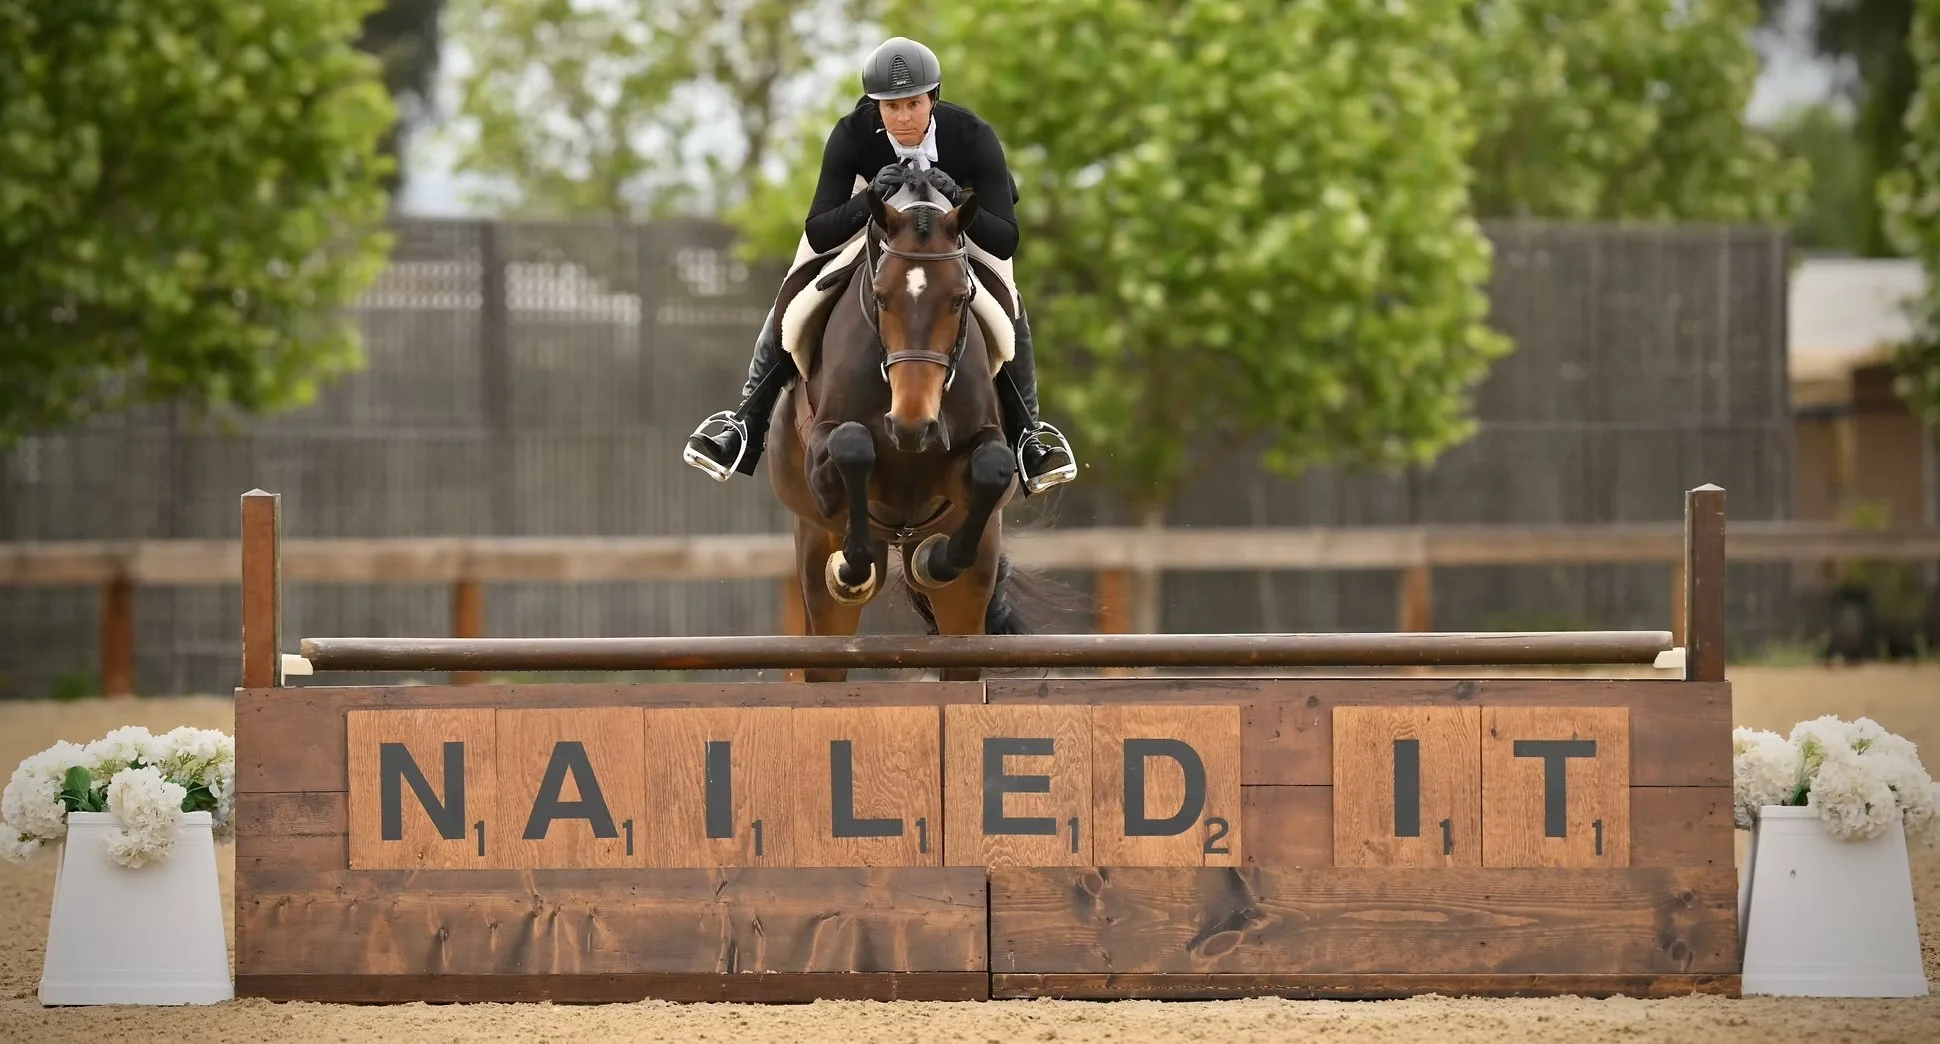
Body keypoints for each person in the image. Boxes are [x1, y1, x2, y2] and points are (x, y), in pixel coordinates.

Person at [682, 36, 1077, 495]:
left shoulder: (972, 135)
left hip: (954, 230)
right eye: (890, 107)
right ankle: (744, 423)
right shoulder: (851, 134)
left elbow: (1005, 239)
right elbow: (819, 231)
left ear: (933, 98)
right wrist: (869, 200)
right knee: (796, 297)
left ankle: (1029, 435)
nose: (903, 118)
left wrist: (954, 195)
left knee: (1007, 308)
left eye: (913, 104)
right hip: (874, 223)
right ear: (875, 106)